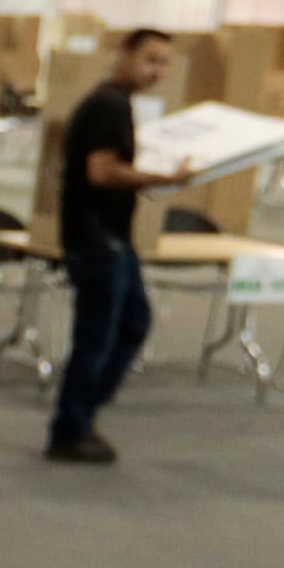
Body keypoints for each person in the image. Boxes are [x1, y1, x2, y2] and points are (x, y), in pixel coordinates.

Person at [47, 26, 191, 465]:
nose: (157, 70)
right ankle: (70, 429)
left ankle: (83, 417)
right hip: (97, 240)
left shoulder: (116, 104)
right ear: (124, 55)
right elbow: (102, 172)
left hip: (111, 238)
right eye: (150, 59)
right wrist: (162, 179)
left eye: (164, 63)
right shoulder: (108, 105)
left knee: (132, 324)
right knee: (97, 336)